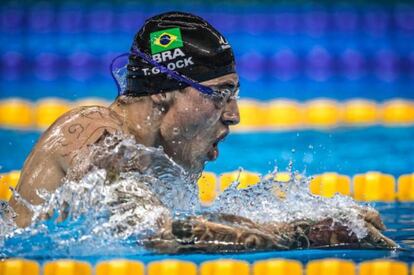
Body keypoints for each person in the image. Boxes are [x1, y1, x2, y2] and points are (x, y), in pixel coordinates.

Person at [9, 12, 396, 252]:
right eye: (220, 94)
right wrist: (308, 235)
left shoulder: (148, 153)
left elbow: (180, 221)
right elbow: (154, 232)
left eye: (235, 95)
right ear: (163, 91)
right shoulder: (99, 138)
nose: (235, 115)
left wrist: (327, 216)